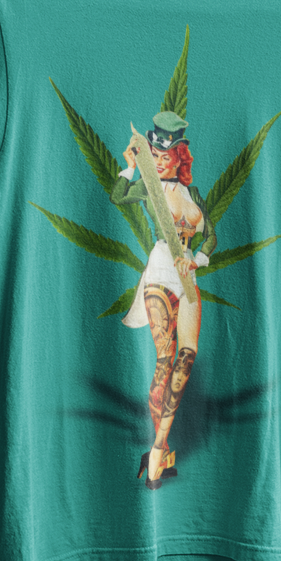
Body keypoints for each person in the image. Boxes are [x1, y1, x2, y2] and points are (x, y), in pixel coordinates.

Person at [109, 112, 216, 489]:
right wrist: (129, 167)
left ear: (179, 156)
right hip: (160, 269)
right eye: (153, 154)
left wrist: (197, 258)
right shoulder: (149, 186)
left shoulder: (193, 194)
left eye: (164, 155)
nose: (157, 161)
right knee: (164, 357)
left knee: (187, 356)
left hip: (188, 272)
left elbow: (210, 237)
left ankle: (159, 445)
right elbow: (118, 196)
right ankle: (158, 449)